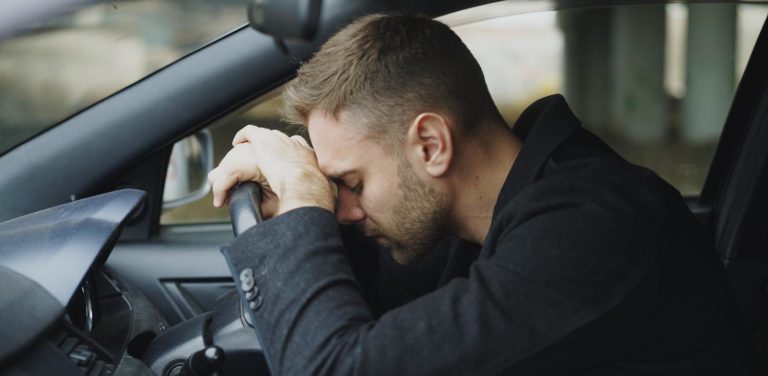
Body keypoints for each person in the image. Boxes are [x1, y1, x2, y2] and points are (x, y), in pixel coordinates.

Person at [207, 13, 750, 375]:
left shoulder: (591, 229)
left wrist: (303, 203)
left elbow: (338, 368)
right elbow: (377, 305)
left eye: (352, 183)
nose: (344, 210)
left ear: (430, 144)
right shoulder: (472, 216)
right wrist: (302, 208)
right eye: (333, 188)